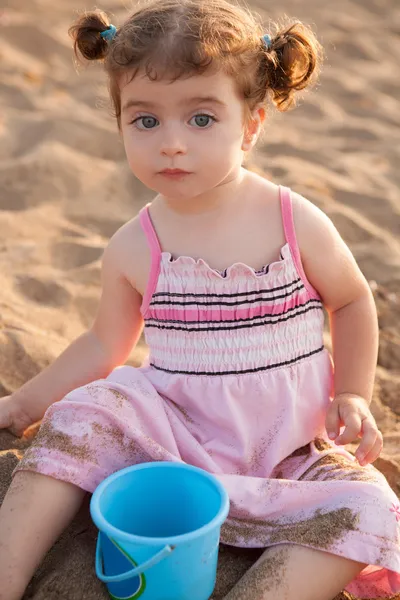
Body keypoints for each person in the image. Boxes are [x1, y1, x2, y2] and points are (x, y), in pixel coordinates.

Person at [0, 0, 399, 598]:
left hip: (290, 450)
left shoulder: (293, 220)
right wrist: (24, 404)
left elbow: (350, 302)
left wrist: (352, 394)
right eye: (145, 121)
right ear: (119, 124)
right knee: (82, 416)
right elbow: (104, 344)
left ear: (253, 123)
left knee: (368, 508)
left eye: (202, 119)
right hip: (174, 434)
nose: (172, 145)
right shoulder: (135, 244)